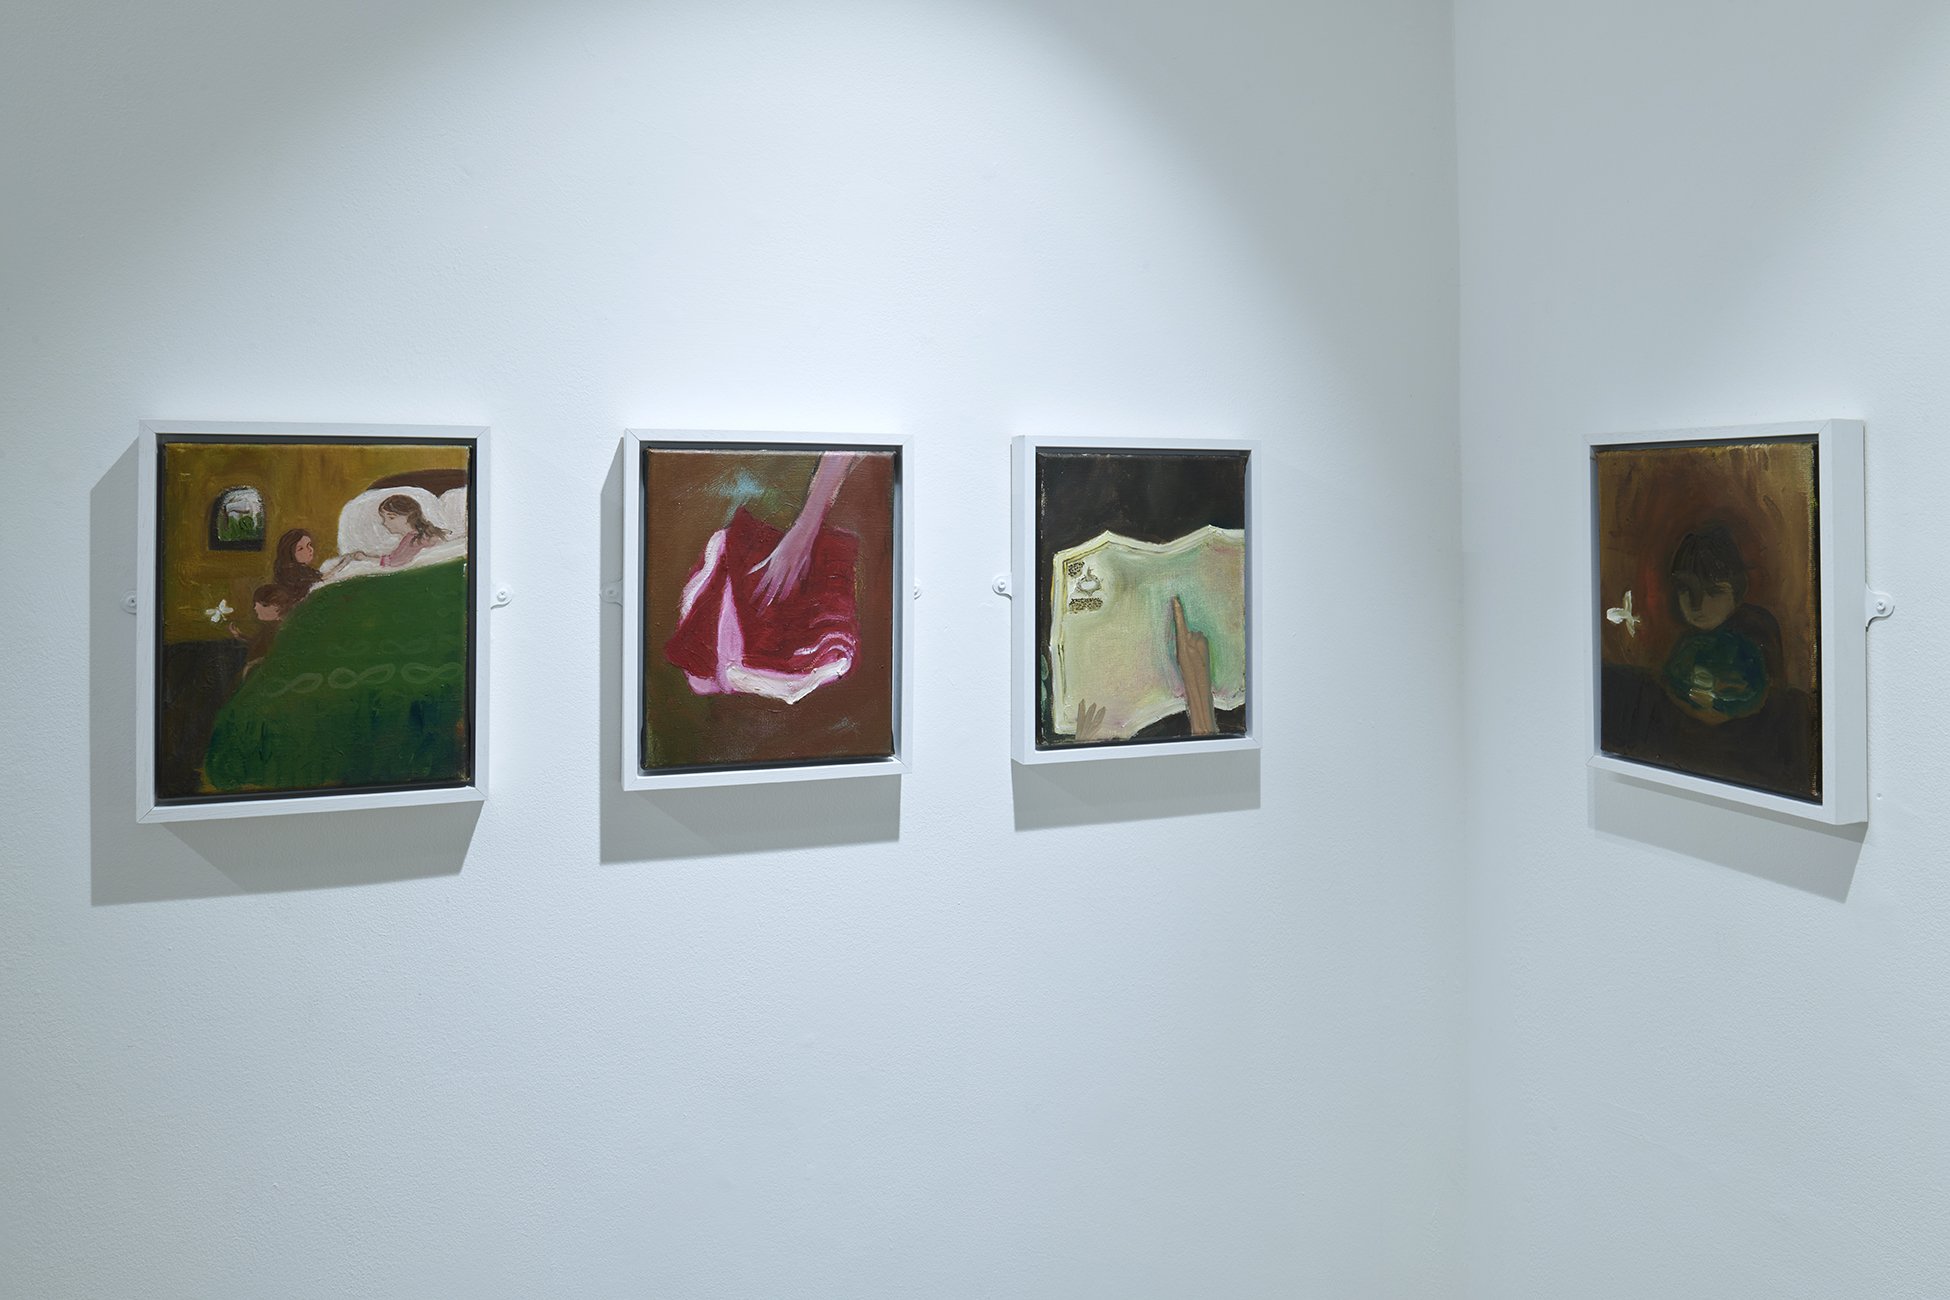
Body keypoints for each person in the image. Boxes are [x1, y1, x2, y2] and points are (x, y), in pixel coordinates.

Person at [1659, 524, 1780, 723]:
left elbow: (1758, 695)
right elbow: (1672, 681)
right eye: (1686, 590)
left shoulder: (1749, 641)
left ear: (1738, 591)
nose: (1696, 605)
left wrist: (1718, 702)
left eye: (1713, 592)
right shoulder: (1687, 644)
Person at [324, 494, 450, 575]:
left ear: (407, 517)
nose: (384, 523)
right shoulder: (423, 534)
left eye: (390, 518)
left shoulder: (413, 539)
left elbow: (395, 562)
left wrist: (365, 558)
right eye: (384, 519)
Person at [228, 584, 295, 678]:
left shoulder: (287, 628)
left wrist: (254, 663)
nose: (255, 608)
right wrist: (240, 636)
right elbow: (260, 644)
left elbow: (281, 655)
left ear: (276, 607)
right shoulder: (273, 626)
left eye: (260, 604)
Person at [271, 528, 324, 601]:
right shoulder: (295, 577)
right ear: (290, 554)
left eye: (309, 544)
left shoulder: (305, 571)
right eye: (301, 548)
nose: (310, 549)